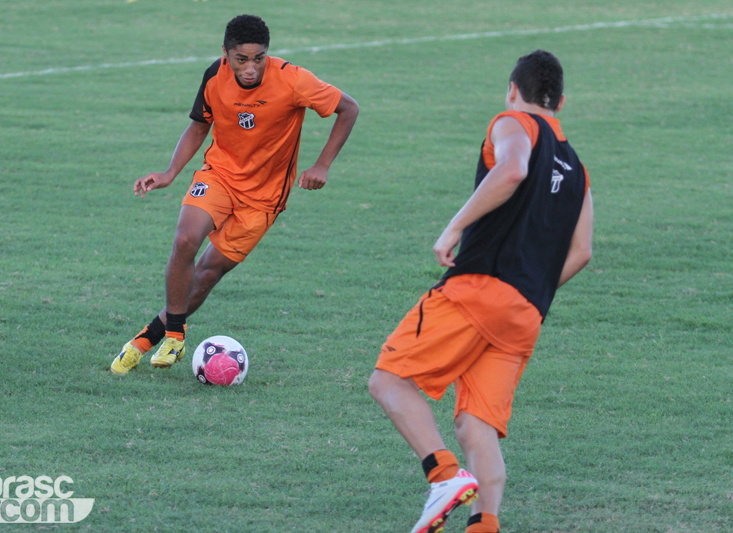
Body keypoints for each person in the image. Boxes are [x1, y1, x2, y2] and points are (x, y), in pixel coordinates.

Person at [369, 50, 593, 533]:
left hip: (477, 290)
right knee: (477, 426)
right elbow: (582, 251)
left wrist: (453, 227)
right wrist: (528, 289)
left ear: (513, 90)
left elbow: (511, 170)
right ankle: (484, 525)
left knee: (388, 381)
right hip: (526, 313)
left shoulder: (513, 123)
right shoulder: (578, 168)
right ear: (561, 101)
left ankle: (444, 476)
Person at [111, 14, 359, 375]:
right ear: (225, 53)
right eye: (241, 59)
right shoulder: (215, 74)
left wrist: (322, 165)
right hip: (220, 174)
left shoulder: (292, 79)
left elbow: (348, 108)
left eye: (259, 58)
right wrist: (169, 173)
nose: (250, 68)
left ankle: (147, 338)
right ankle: (176, 336)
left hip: (264, 197)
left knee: (208, 272)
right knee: (185, 240)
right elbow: (199, 126)